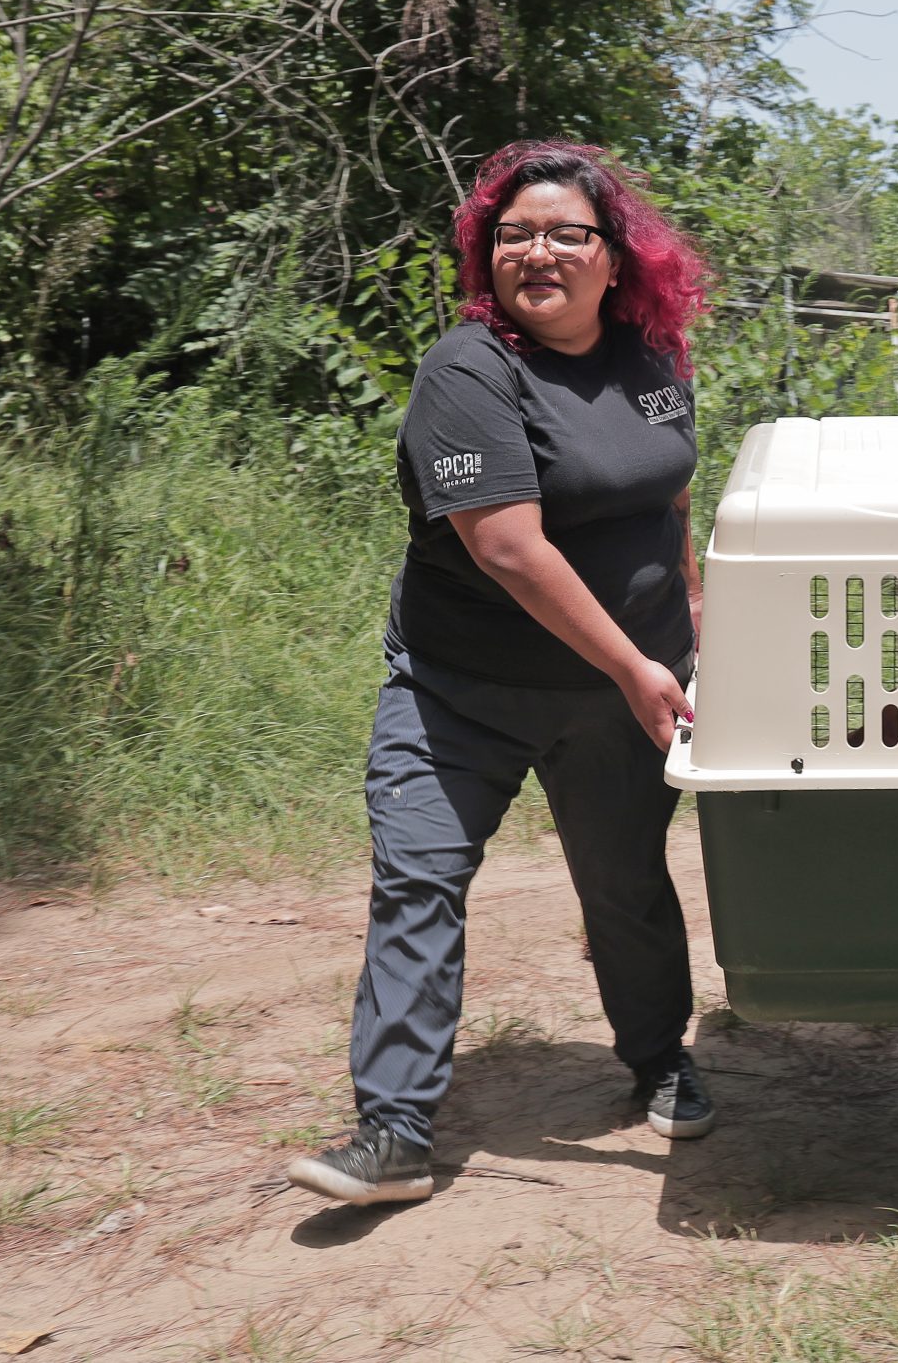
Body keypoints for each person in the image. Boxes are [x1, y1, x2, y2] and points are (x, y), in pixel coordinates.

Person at [285, 141, 714, 1207]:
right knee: (419, 880)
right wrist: (631, 664)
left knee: (624, 884)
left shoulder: (651, 360)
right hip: (460, 690)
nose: (539, 252)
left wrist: (691, 621)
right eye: (514, 234)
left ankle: (659, 1057)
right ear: (487, 256)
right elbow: (508, 546)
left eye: (567, 233)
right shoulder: (467, 373)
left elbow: (667, 497)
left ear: (615, 258)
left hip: (624, 690)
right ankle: (392, 1132)